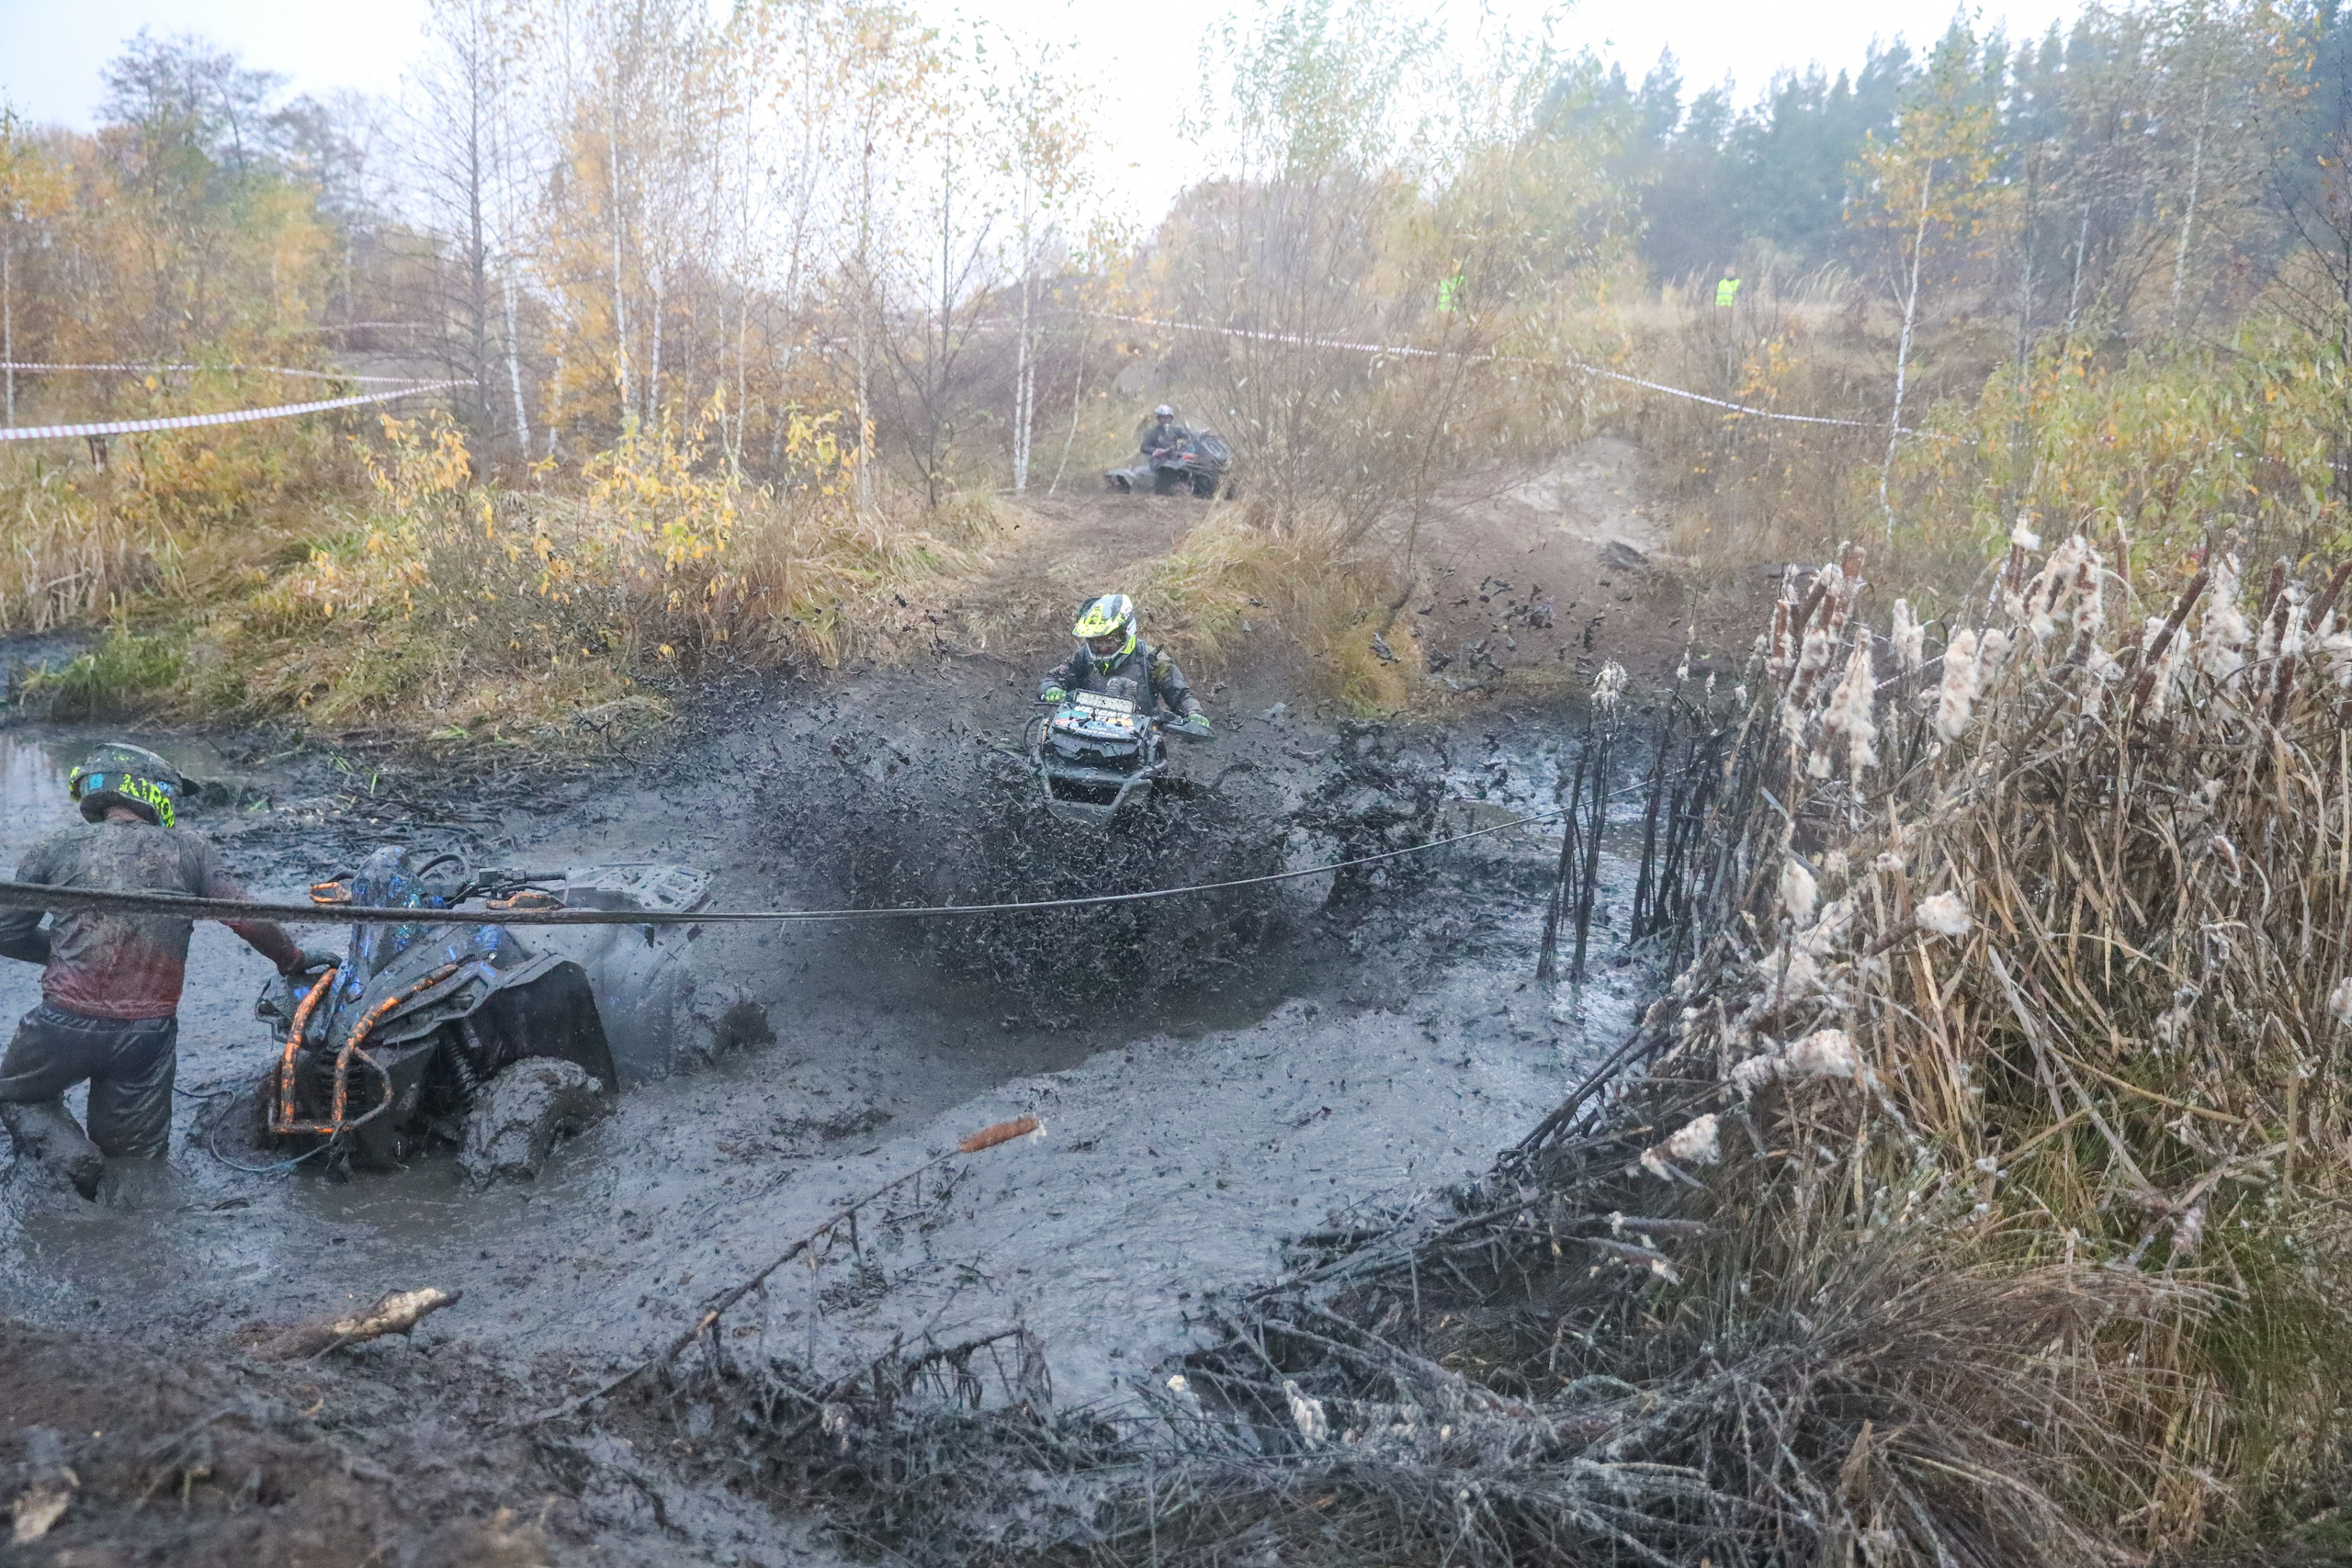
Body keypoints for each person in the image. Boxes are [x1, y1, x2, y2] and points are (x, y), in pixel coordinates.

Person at [0, 743, 331, 1198]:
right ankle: (134, 1231)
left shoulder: (56, 848)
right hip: (146, 1036)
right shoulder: (188, 852)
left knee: (20, 1095)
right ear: (154, 794)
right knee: (135, 1158)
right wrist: (293, 960)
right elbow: (247, 917)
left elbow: (6, 932)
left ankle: (67, 1156)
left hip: (61, 1024)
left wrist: (64, 955)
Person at [1038, 593, 1209, 729]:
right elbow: (1053, 678)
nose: (1103, 647)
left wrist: (1193, 713)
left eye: (1109, 640)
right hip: (1085, 732)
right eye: (1097, 641)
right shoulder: (1084, 656)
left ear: (1126, 634)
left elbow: (1180, 696)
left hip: (1137, 740)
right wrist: (1052, 689)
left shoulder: (1152, 660)